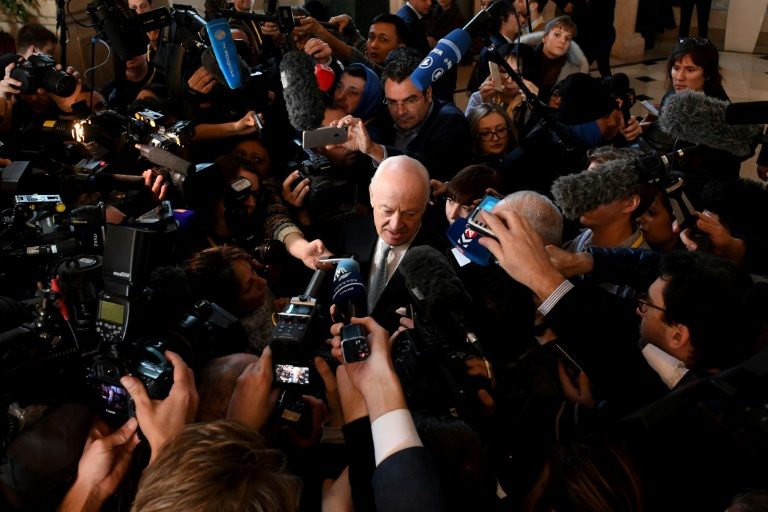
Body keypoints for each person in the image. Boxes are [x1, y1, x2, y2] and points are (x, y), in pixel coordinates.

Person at [339, 155, 445, 332]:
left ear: (425, 205)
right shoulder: (352, 232)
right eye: (387, 211)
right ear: (372, 196)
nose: (396, 225)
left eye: (410, 214)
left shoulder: (440, 259)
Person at [333, 50, 471, 182]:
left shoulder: (451, 121)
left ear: (428, 94)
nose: (400, 112)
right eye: (392, 102)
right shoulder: (383, 115)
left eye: (410, 100)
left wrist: (375, 150)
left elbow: (431, 169)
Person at [519, 15, 588, 104]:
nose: (563, 41)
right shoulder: (523, 56)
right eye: (557, 34)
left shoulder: (572, 72)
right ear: (545, 38)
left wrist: (539, 95)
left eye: (567, 38)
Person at [466, 103, 516, 168]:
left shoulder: (518, 157)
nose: (495, 138)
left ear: (509, 129)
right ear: (474, 136)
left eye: (501, 130)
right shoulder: (473, 170)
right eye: (485, 133)